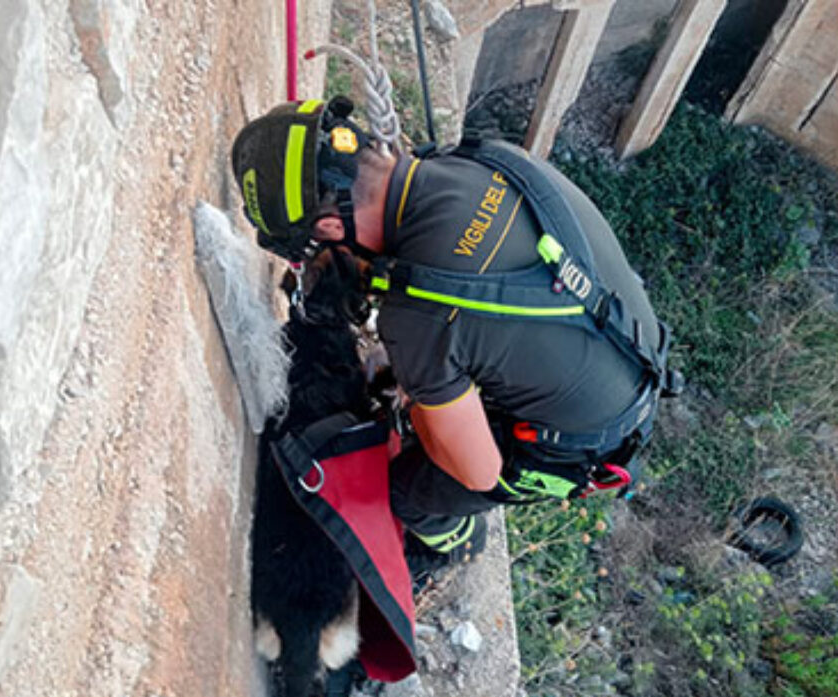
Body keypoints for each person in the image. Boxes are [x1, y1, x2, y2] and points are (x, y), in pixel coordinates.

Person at [230, 96, 676, 569]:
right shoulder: (477, 159)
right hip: (629, 344)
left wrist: (415, 398)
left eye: (318, 246)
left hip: (584, 437)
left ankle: (454, 543)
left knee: (409, 488)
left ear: (328, 225)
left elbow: (480, 472)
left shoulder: (421, 316)